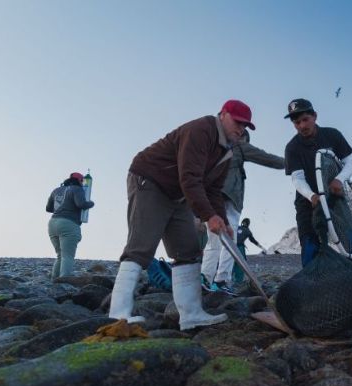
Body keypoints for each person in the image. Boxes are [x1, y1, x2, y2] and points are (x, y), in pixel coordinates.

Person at [107, 99, 255, 330]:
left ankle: (191, 314)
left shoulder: (227, 152)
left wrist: (222, 220)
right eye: (238, 122)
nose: (241, 128)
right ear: (223, 115)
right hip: (151, 181)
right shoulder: (201, 130)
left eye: (245, 126)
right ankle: (118, 314)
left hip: (179, 193)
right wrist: (209, 216)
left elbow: (214, 190)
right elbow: (190, 177)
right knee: (141, 246)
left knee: (187, 250)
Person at [200, 132, 284, 294]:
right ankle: (222, 280)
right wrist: (290, 163)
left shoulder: (213, 150)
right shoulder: (240, 146)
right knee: (229, 241)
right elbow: (267, 158)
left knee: (213, 240)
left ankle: (205, 278)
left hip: (211, 197)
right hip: (230, 199)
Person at [284, 98, 352, 266]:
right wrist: (312, 196)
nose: (302, 125)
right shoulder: (292, 147)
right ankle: (312, 283)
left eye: (305, 120)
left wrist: (339, 179)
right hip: (307, 202)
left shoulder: (332, 135)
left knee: (349, 237)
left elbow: (350, 163)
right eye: (296, 122)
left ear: (314, 116)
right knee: (309, 243)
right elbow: (297, 178)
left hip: (335, 196)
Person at [46, 172, 94, 279]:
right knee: (67, 256)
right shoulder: (77, 189)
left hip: (53, 224)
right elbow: (81, 204)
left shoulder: (56, 190)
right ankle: (64, 280)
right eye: (82, 181)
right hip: (69, 223)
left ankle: (54, 280)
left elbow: (48, 208)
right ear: (79, 181)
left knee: (60, 255)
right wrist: (91, 203)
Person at [232, 218, 268, 284]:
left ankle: (234, 280)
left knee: (236, 263)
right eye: (244, 222)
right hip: (235, 246)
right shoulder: (242, 229)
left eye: (245, 222)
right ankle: (234, 280)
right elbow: (253, 240)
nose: (244, 223)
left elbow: (252, 240)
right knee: (236, 262)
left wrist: (261, 247)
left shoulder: (243, 229)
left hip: (236, 246)